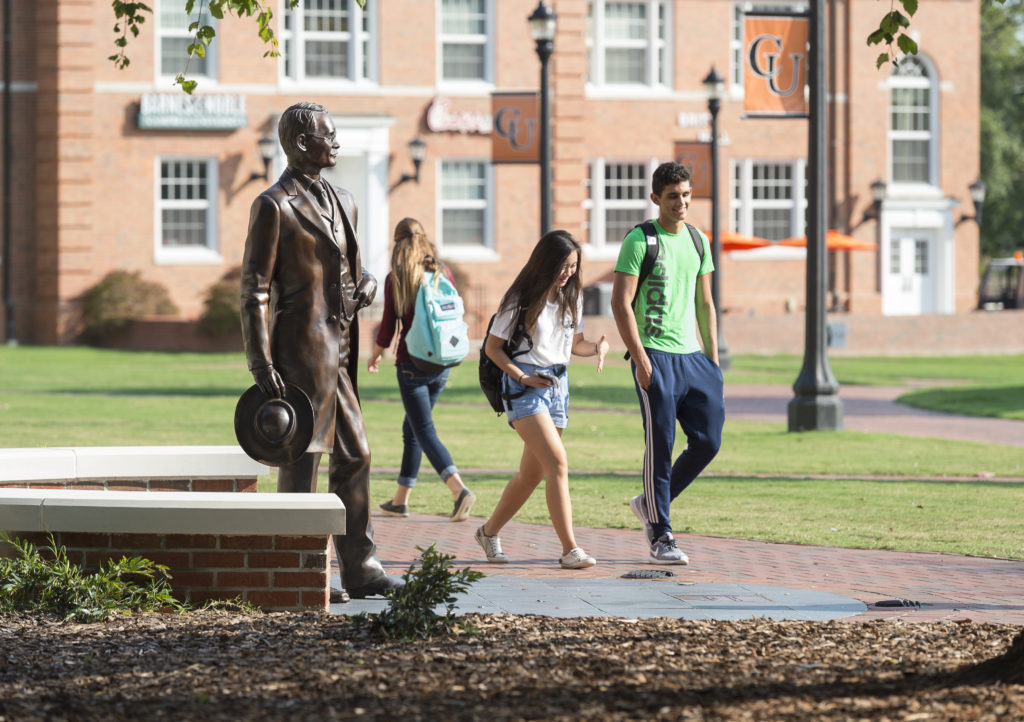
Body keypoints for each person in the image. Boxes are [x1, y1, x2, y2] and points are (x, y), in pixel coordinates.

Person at [239, 101, 402, 602]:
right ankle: (299, 570)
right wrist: (260, 361)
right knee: (301, 462)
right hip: (297, 356)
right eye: (328, 136)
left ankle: (360, 568)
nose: (336, 143)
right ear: (300, 143)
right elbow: (254, 290)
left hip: (342, 355)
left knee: (356, 455)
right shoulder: (274, 205)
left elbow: (351, 269)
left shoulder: (345, 199)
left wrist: (367, 282)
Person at [610, 161, 725, 565]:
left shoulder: (698, 240)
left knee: (708, 442)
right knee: (660, 445)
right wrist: (641, 359)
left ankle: (649, 503)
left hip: (694, 359)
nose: (682, 202)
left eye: (687, 194)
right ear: (656, 198)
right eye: (673, 196)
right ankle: (661, 534)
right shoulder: (640, 240)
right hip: (655, 355)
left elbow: (705, 303)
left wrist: (713, 361)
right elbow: (620, 303)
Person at [474, 230, 609, 570]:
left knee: (531, 475)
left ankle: (488, 532)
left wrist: (597, 347)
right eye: (563, 266)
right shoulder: (520, 299)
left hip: (558, 387)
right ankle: (570, 549)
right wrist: (521, 378)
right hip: (524, 387)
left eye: (573, 267)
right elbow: (492, 348)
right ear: (546, 262)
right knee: (558, 463)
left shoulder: (571, 297)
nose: (568, 273)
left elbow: (574, 345)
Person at [367, 218, 476, 522]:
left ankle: (458, 489)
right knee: (413, 429)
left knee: (424, 430)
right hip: (442, 362)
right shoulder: (442, 272)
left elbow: (387, 328)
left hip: (412, 364)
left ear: (397, 244)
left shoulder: (397, 277)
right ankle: (400, 501)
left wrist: (374, 356)